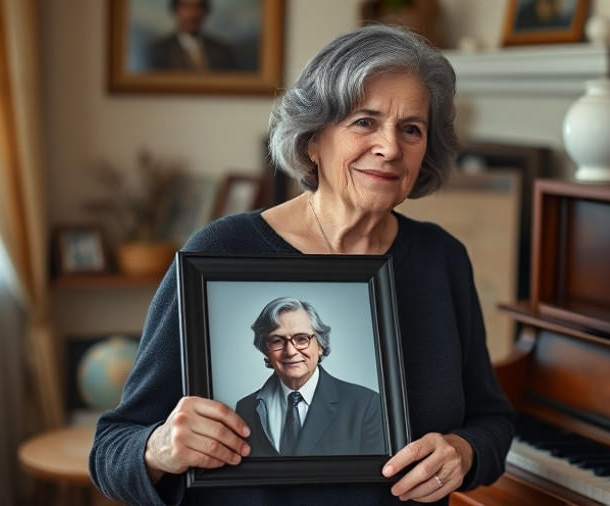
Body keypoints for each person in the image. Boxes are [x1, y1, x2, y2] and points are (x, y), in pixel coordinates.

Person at [90, 23, 516, 505]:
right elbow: (111, 448)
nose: (391, 147)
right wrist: (161, 448)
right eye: (364, 122)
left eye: (411, 129)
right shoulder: (220, 251)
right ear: (313, 139)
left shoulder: (442, 259)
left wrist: (465, 450)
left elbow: (493, 422)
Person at [234, 296, 385, 457]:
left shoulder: (366, 405)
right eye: (277, 340)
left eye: (301, 339)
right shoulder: (245, 408)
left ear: (320, 345)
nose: (290, 351)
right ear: (265, 350)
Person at [148, 0, 237, 72]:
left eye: (198, 7)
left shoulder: (222, 51)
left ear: (205, 12)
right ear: (175, 11)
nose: (192, 14)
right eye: (186, 6)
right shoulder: (159, 51)